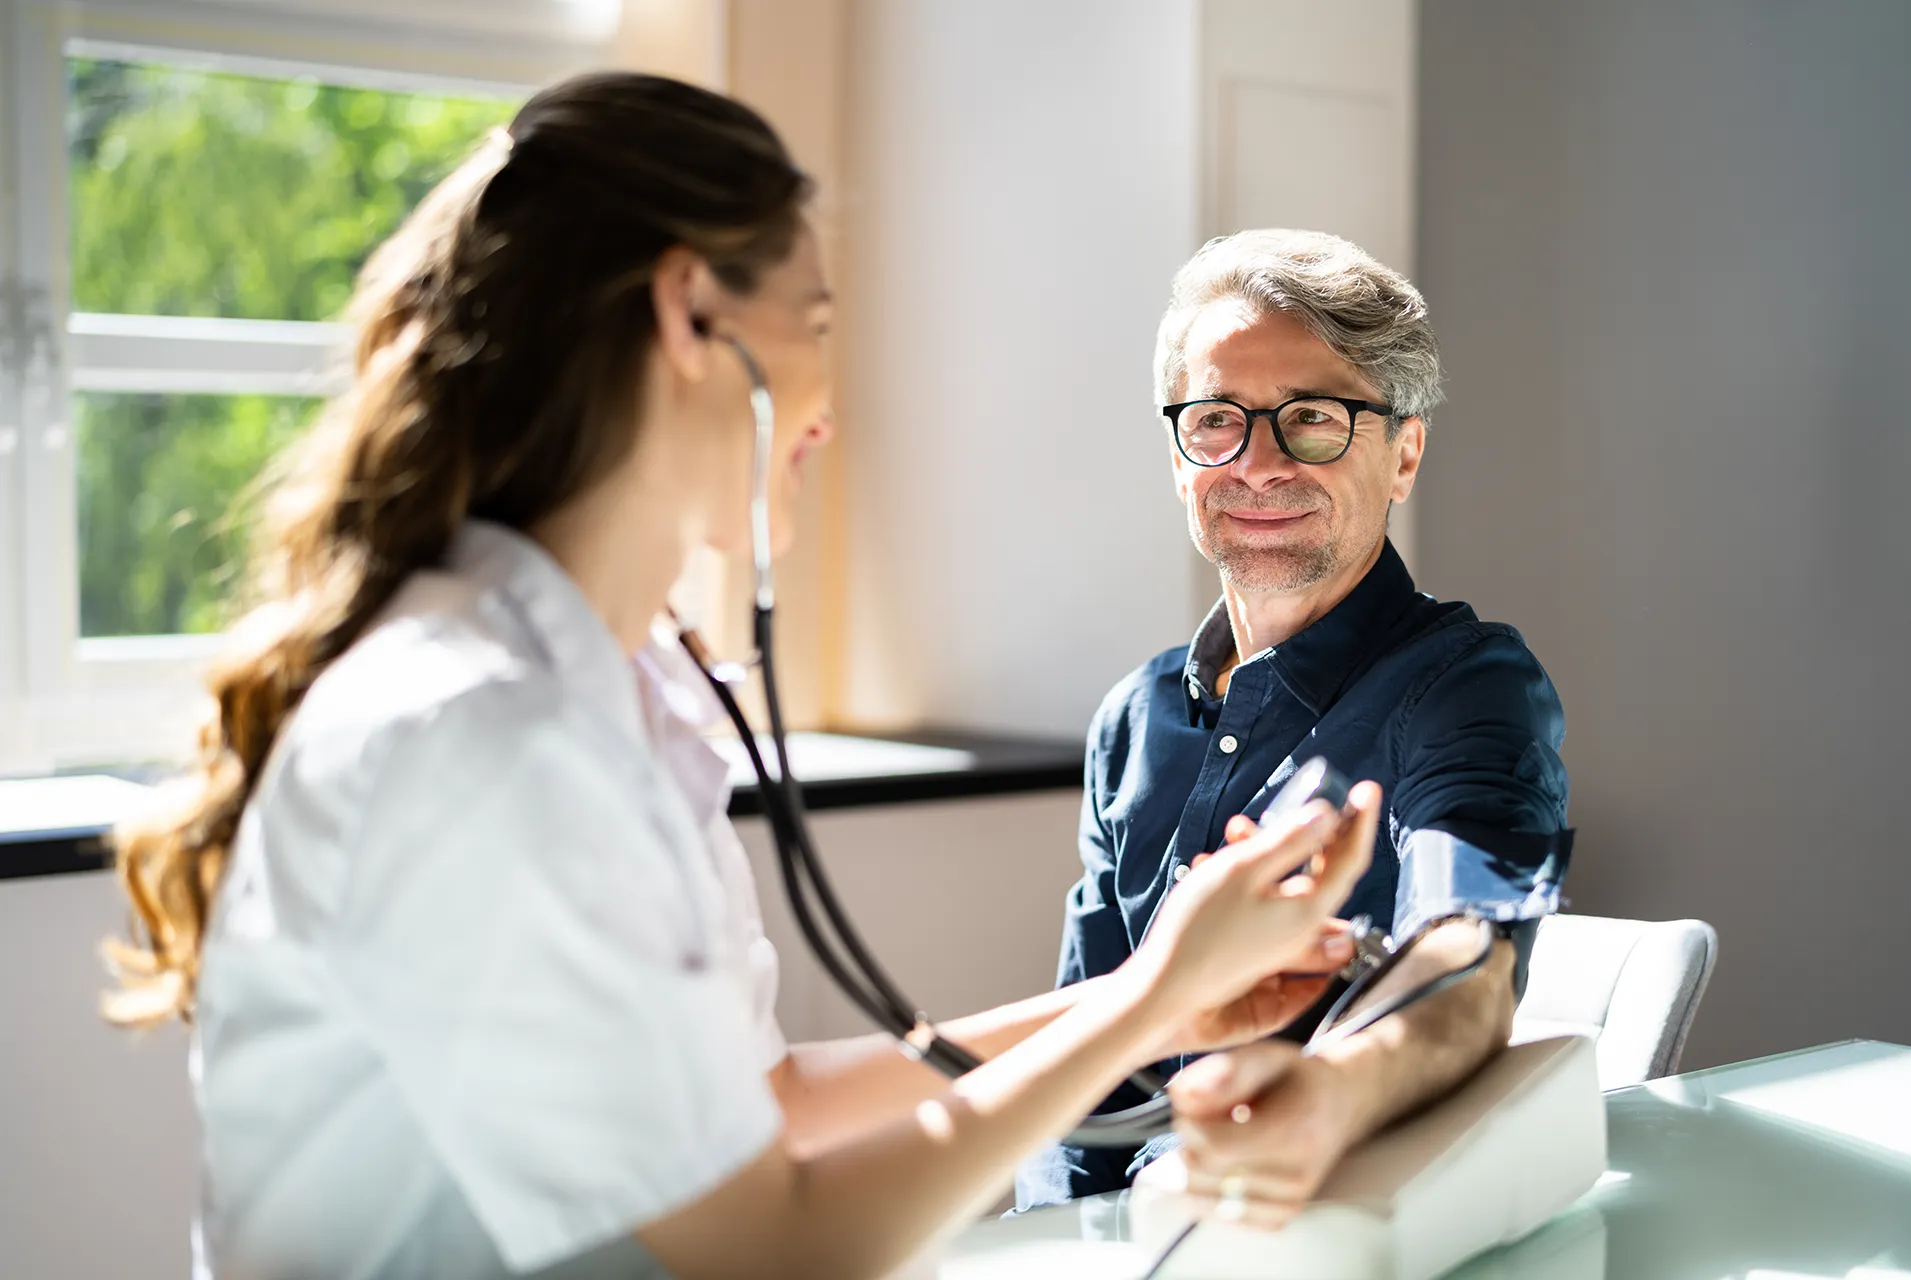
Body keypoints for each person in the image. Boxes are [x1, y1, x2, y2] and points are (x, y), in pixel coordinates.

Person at [104, 75, 1382, 1280]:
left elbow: (763, 1108)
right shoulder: (486, 730)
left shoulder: (617, 685)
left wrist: (1152, 1004)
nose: (829, 403)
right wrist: (1151, 994)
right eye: (815, 326)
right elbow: (776, 1243)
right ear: (687, 312)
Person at [1015, 229, 1574, 1219]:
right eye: (1218, 419)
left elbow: (1468, 954)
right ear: (1179, 453)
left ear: (1405, 452)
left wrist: (1336, 1088)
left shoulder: (1467, 687)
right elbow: (1084, 1056)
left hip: (1299, 1235)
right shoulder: (1134, 719)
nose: (1258, 463)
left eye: (1312, 418)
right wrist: (1041, 1235)